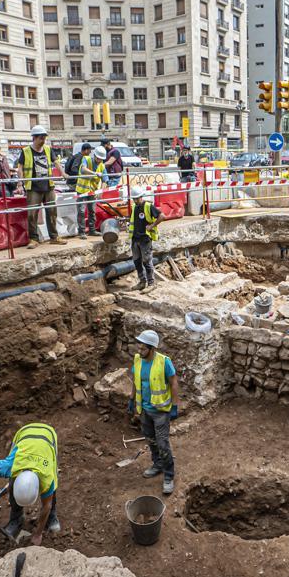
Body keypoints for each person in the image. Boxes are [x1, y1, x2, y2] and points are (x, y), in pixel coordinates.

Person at [130, 329, 178, 495]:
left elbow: (173, 382)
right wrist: (131, 401)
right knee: (151, 440)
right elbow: (136, 382)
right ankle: (157, 465)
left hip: (160, 411)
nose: (139, 350)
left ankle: (169, 475)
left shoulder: (164, 362)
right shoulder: (137, 360)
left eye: (143, 348)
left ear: (152, 349)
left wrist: (174, 406)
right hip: (144, 410)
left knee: (163, 443)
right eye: (139, 347)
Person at [15, 125, 66, 248]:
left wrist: (63, 173)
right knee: (32, 214)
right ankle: (33, 239)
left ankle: (54, 237)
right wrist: (20, 183)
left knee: (52, 212)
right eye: (41, 138)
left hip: (48, 186)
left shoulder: (48, 149)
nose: (43, 141)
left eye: (44, 138)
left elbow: (56, 162)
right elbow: (20, 168)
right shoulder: (26, 151)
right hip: (33, 187)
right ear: (34, 138)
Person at [129, 186, 162, 291]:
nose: (135, 200)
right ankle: (142, 282)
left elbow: (162, 216)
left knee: (146, 261)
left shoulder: (148, 206)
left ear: (141, 197)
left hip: (145, 239)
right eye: (134, 199)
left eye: (137, 198)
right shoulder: (134, 207)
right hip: (135, 238)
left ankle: (151, 283)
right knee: (137, 261)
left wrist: (151, 226)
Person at [76, 145, 108, 239]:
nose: (99, 161)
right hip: (81, 190)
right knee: (81, 211)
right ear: (95, 156)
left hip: (92, 191)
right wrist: (94, 173)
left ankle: (92, 230)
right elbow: (83, 169)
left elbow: (105, 180)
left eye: (101, 159)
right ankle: (81, 232)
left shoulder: (102, 166)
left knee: (92, 211)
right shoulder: (86, 159)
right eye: (98, 158)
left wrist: (100, 190)